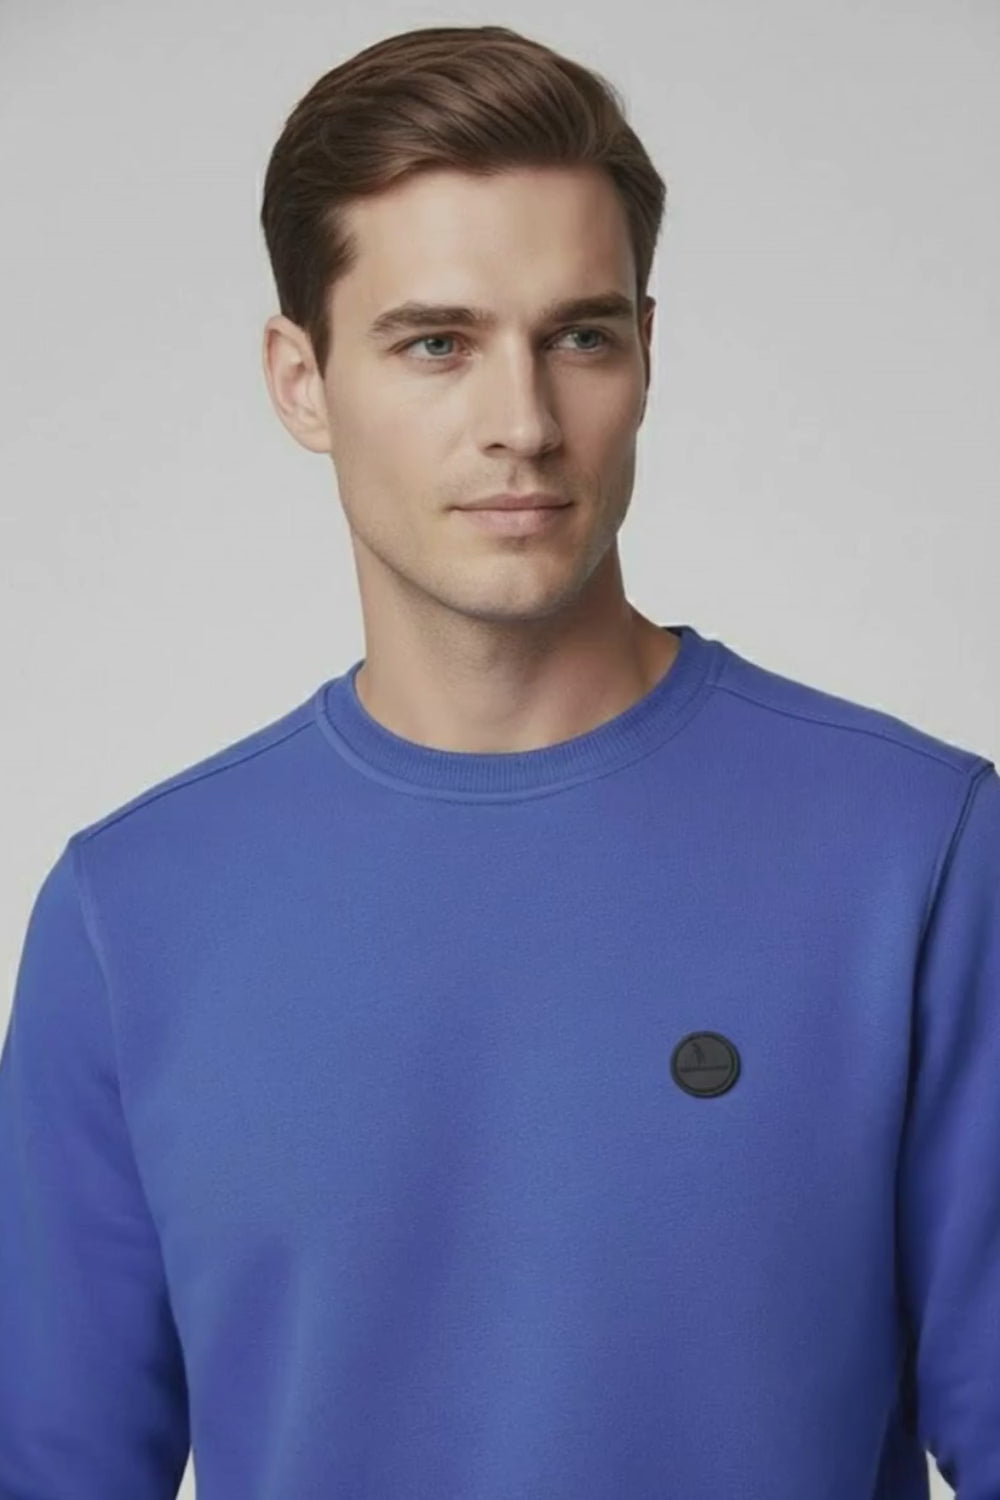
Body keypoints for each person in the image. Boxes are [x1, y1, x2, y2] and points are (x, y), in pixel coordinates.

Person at [0, 22, 996, 1500]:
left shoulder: (917, 850)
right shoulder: (126, 917)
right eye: (437, 344)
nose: (522, 425)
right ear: (301, 380)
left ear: (646, 354)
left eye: (579, 336)